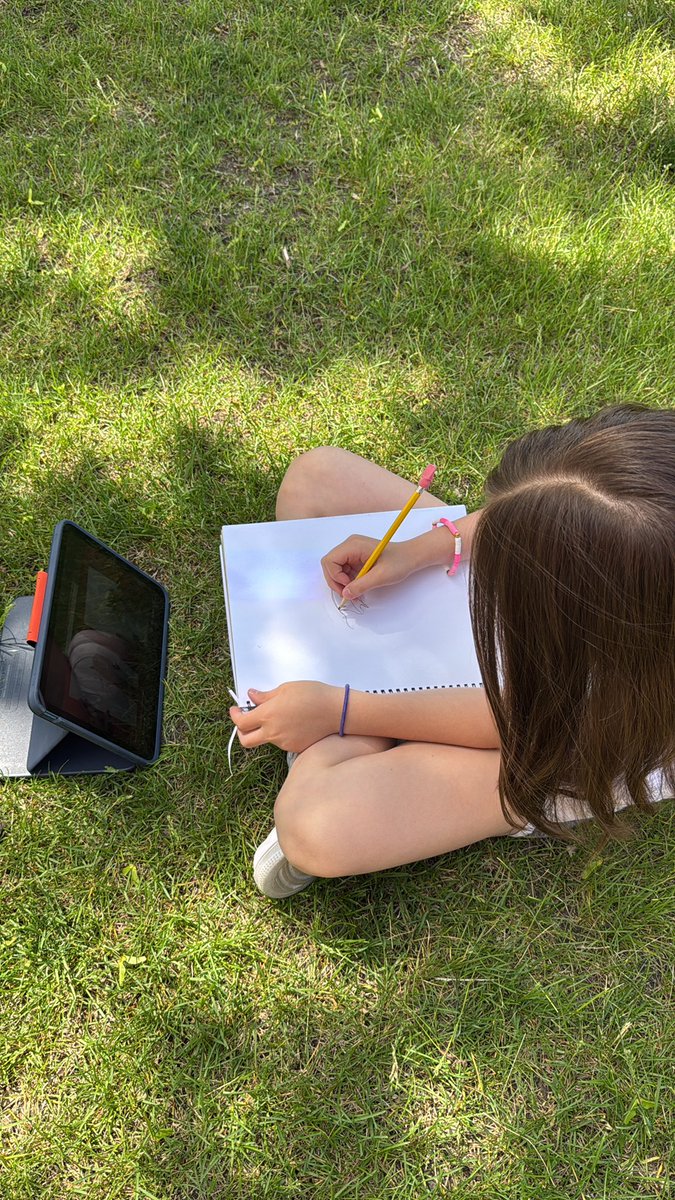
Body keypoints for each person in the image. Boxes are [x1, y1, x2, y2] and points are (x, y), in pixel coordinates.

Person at [229, 405, 675, 898]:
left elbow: (515, 720)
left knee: (314, 825)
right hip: (559, 643)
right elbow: (566, 512)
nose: (498, 570)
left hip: (552, 747)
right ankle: (351, 741)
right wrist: (421, 550)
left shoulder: (631, 691)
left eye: (518, 567)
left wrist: (346, 711)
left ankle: (346, 748)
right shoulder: (641, 521)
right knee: (315, 479)